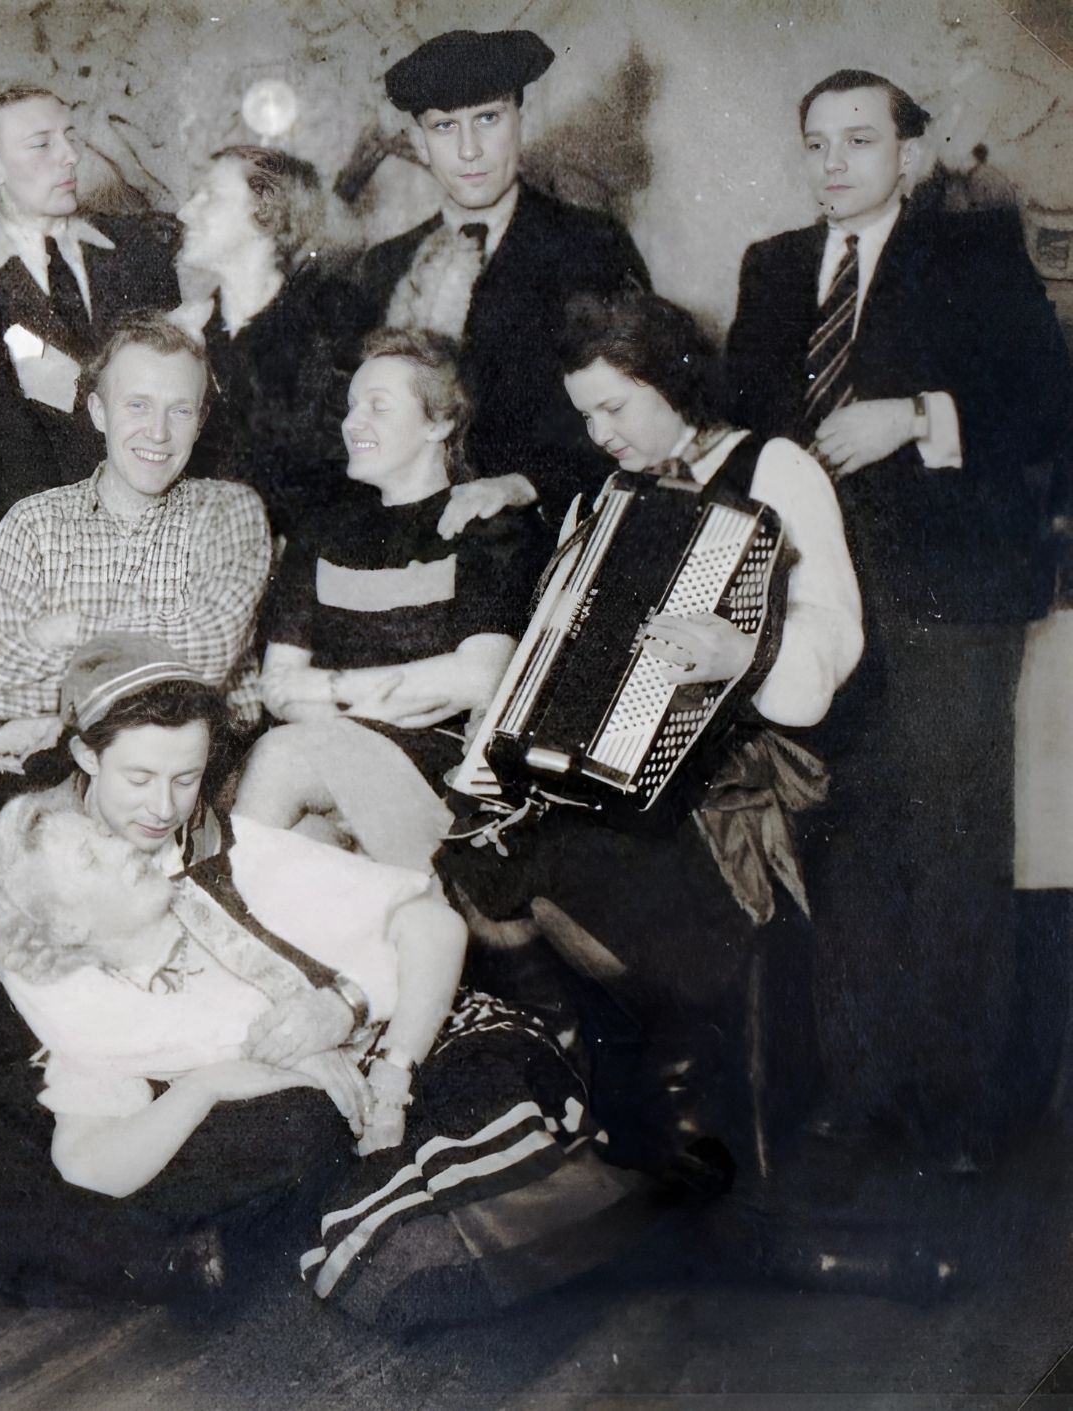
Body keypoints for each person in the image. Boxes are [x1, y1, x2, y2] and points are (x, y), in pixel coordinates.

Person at [0, 635, 635, 1319]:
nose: (163, 810)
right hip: (102, 1093)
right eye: (141, 779)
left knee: (314, 1128)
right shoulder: (24, 862)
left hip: (242, 1105)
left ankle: (95, 1252)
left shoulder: (225, 850)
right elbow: (87, 1047)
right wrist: (241, 1067)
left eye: (186, 778)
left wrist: (343, 1008)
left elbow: (415, 924)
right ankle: (130, 1257)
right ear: (86, 753)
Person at [724, 70, 1073, 1171]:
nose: (834, 164)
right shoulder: (774, 268)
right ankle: (861, 1095)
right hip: (823, 600)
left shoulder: (968, 256)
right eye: (816, 143)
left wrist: (914, 417)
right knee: (844, 839)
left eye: (859, 141)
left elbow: (1042, 405)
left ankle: (956, 1113)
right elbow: (744, 430)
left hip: (946, 595)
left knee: (949, 842)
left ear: (908, 157)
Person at [442, 290, 863, 1193]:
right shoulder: (606, 496)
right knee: (476, 846)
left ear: (673, 380)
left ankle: (660, 1089)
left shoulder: (773, 467)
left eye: (613, 407)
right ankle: (620, 1083)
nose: (598, 434)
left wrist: (744, 654)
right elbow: (565, 641)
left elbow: (833, 647)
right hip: (617, 769)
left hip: (748, 767)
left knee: (547, 855)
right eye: (584, 413)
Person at [235, 330, 544, 860]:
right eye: (353, 407)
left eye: (378, 407)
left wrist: (330, 687)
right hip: (326, 765)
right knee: (303, 847)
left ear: (440, 422)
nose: (353, 423)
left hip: (437, 788)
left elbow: (478, 676)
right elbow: (277, 686)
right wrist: (381, 702)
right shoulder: (320, 534)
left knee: (278, 760)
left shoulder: (484, 527)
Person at [354, 28, 649, 524]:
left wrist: (525, 484)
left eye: (488, 119)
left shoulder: (592, 247)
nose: (470, 150)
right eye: (445, 127)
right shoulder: (384, 266)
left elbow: (637, 410)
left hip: (539, 530)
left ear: (522, 122)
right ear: (418, 144)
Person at [0, 312, 271, 723]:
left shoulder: (228, 514)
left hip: (202, 765)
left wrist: (69, 629)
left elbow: (208, 656)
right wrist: (153, 651)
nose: (158, 433)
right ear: (98, 412)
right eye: (138, 405)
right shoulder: (33, 523)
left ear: (199, 424)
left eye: (180, 411)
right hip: (66, 761)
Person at [0, 83, 182, 545]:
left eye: (70, 137)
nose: (69, 156)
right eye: (42, 144)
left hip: (154, 537)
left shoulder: (141, 251)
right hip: (33, 547)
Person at [173, 146, 375, 536]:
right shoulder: (188, 332)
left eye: (209, 196)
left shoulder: (329, 331)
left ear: (267, 214)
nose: (185, 212)